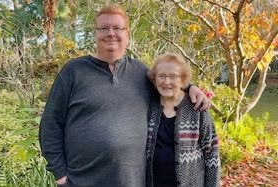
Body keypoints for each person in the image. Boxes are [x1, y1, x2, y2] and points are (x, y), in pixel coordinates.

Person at [39, 5, 210, 187]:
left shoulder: (140, 72)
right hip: (81, 181)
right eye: (104, 28)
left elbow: (168, 84)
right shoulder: (73, 72)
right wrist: (60, 175)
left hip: (133, 182)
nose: (110, 33)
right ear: (95, 33)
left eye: (117, 28)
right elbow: (50, 125)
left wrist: (191, 87)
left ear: (127, 34)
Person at [146, 53, 220, 187]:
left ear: (183, 79)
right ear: (154, 79)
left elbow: (212, 155)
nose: (166, 81)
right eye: (161, 76)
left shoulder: (197, 108)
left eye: (173, 76)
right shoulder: (148, 106)